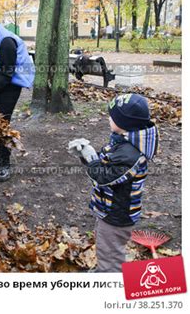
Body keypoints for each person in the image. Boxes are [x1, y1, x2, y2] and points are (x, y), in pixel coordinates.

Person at [68, 94, 159, 272]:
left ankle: (110, 278)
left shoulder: (131, 153)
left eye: (113, 117)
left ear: (125, 124)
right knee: (105, 245)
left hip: (118, 215)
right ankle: (105, 269)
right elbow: (106, 163)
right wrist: (88, 156)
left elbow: (104, 177)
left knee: (111, 252)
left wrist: (91, 157)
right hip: (110, 209)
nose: (109, 118)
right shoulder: (124, 140)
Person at [0, 0, 35, 182]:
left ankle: (5, 164)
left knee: (1, 123)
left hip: (10, 85)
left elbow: (7, 74)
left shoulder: (6, 41)